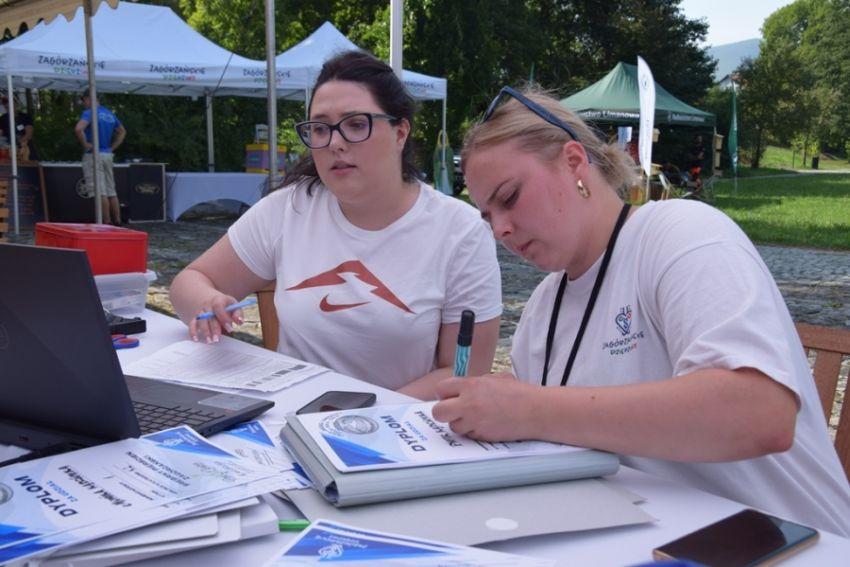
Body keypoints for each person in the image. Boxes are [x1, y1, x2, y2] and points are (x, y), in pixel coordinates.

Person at [431, 87, 850, 536]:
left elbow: (760, 413)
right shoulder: (540, 313)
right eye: (487, 216)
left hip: (796, 541)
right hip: (659, 541)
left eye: (510, 197)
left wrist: (529, 409)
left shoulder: (680, 232)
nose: (501, 230)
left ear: (574, 162)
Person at [169, 51, 502, 398]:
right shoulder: (290, 208)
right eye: (320, 129)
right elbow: (187, 283)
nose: (334, 143)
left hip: (401, 422)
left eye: (356, 124)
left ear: (400, 133)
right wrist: (207, 302)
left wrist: (365, 415)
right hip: (290, 415)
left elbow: (465, 371)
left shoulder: (460, 231)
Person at [74, 92, 127, 225]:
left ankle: (106, 222)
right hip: (107, 155)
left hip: (93, 154)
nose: (84, 104)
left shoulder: (89, 112)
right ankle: (117, 221)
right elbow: (122, 131)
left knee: (99, 190)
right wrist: (112, 148)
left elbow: (78, 129)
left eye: (84, 100)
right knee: (111, 190)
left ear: (89, 98)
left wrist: (85, 144)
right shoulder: (109, 114)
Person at [0, 95, 39, 161]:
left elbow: (29, 134)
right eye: (5, 103)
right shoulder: (3, 118)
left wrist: (17, 144)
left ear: (16, 104)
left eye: (9, 102)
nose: (7, 104)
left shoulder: (25, 117)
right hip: (9, 150)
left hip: (26, 149)